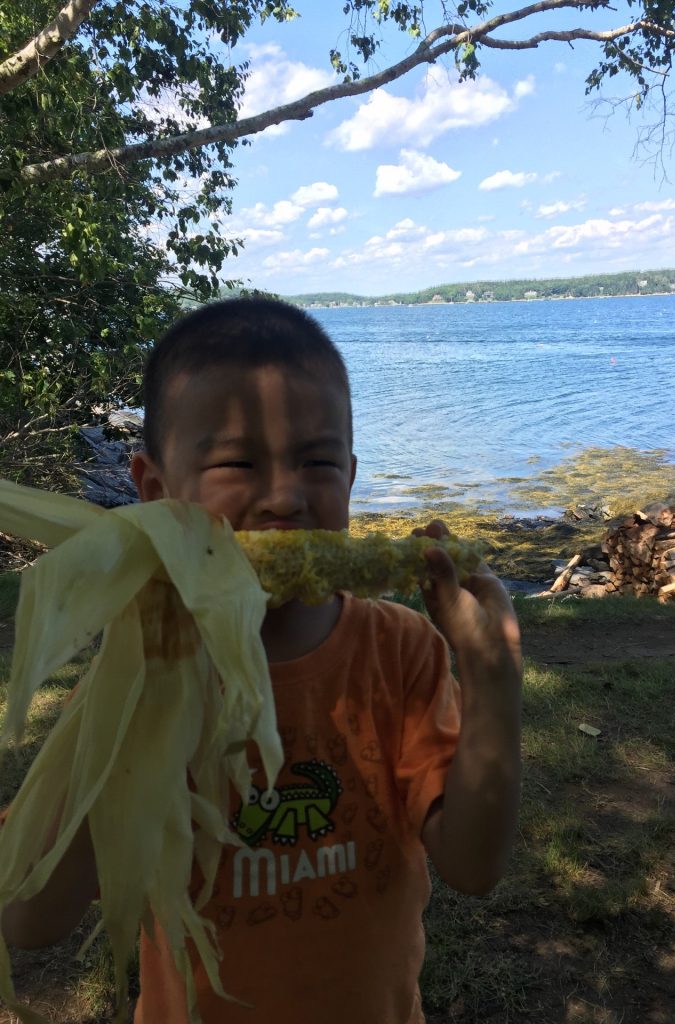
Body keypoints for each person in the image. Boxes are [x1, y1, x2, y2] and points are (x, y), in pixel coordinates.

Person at [1, 297, 522, 1024]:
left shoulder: (400, 652)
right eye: (239, 462)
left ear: (350, 474)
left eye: (317, 462)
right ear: (155, 492)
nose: (284, 497)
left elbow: (474, 864)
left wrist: (492, 676)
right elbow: (29, 920)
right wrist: (135, 687)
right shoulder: (142, 678)